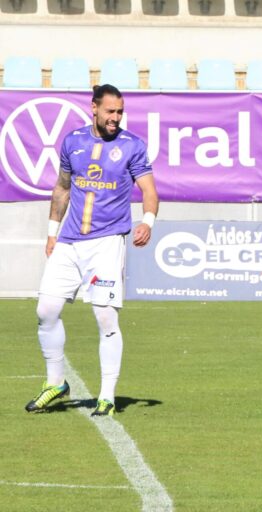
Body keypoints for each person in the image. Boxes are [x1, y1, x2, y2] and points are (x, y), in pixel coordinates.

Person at [25, 84, 158, 417]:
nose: (116, 117)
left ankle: (107, 396)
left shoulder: (132, 146)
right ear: (94, 108)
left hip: (106, 242)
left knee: (105, 316)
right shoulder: (73, 141)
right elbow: (62, 188)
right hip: (69, 241)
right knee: (46, 310)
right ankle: (56, 383)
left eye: (120, 112)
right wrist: (52, 233)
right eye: (110, 111)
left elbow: (149, 190)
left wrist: (148, 221)